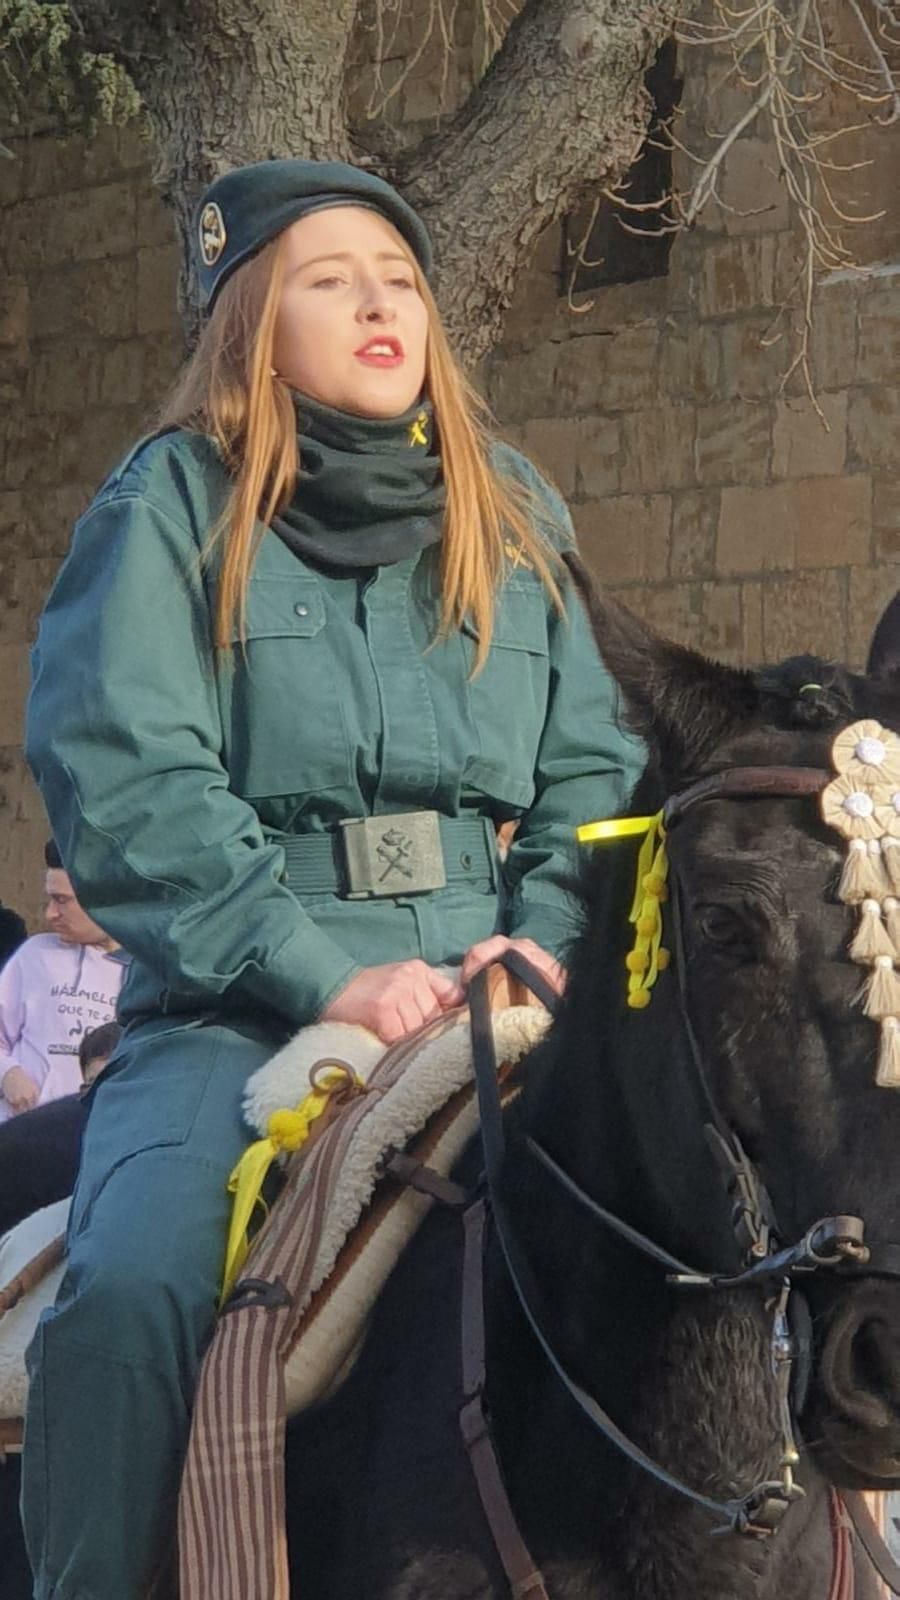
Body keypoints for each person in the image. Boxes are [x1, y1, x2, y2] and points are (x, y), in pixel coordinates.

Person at [22, 159, 644, 1599]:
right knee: (125, 1303)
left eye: (399, 279)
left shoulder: (518, 510)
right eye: (328, 277)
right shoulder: (169, 507)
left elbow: (594, 766)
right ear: (249, 321)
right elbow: (130, 775)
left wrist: (544, 938)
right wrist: (323, 973)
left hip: (496, 986)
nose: (378, 300)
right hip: (234, 1013)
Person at [0, 843, 126, 1122]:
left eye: (62, 900)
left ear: (101, 899)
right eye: (50, 899)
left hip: (97, 1131)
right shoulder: (35, 954)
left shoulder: (144, 972)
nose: (50, 914)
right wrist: (8, 1073)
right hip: (20, 1127)